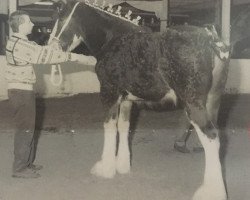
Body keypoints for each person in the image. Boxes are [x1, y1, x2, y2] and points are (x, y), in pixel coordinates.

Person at [5, 10, 97, 178]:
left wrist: (52, 45)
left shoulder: (17, 41)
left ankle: (27, 163)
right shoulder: (21, 45)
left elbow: (42, 50)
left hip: (21, 90)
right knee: (25, 129)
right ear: (21, 24)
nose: (32, 24)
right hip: (21, 92)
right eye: (29, 22)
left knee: (29, 128)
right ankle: (19, 168)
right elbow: (46, 55)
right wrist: (82, 58)